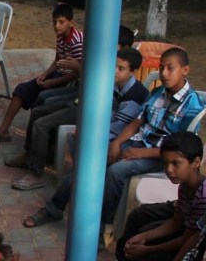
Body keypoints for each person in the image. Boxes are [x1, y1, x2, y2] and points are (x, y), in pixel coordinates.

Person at [24, 48, 206, 229]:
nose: (164, 73)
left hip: (161, 156)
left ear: (185, 70)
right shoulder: (158, 93)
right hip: (135, 143)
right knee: (89, 163)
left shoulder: (192, 104)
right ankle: (54, 209)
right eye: (161, 68)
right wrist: (117, 143)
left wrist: (140, 153)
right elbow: (137, 121)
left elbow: (182, 150)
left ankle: (103, 227)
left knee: (115, 172)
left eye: (170, 68)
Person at [99, 132, 206, 261]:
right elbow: (175, 222)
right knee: (137, 234)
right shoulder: (185, 184)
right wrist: (143, 237)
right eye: (166, 163)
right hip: (184, 234)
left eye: (176, 163)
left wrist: (147, 249)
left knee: (147, 258)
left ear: (196, 162)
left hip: (190, 251)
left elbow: (188, 239)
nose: (169, 170)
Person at [9, 46, 147, 190]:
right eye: (114, 66)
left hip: (99, 125)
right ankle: (30, 156)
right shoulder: (114, 83)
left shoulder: (134, 96)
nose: (114, 71)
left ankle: (36, 174)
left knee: (41, 124)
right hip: (87, 110)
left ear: (133, 71)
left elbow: (117, 127)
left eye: (121, 68)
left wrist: (88, 128)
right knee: (38, 111)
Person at [0, 3, 83, 142]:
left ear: (71, 23)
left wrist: (52, 82)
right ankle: (3, 130)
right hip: (58, 74)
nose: (57, 26)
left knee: (41, 99)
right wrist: (45, 74)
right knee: (21, 90)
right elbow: (57, 61)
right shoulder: (60, 36)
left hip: (68, 80)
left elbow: (77, 73)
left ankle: (33, 140)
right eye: (54, 22)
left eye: (61, 22)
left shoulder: (77, 42)